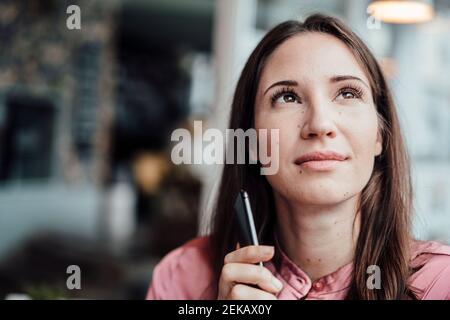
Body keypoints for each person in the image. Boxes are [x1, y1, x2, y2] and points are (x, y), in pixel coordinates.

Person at [146, 14, 450, 300]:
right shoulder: (182, 278)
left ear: (379, 136)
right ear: (250, 141)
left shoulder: (441, 283)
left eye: (347, 93)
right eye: (287, 97)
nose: (319, 125)